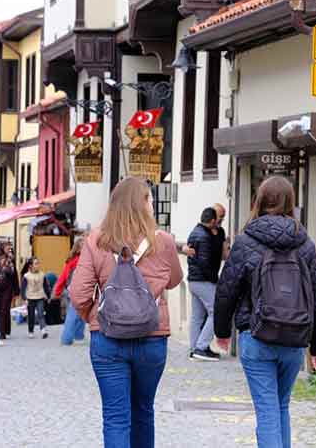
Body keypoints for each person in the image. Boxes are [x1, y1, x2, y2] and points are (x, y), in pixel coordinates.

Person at [214, 176, 316, 448]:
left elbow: (226, 290)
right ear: (292, 202)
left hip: (256, 336)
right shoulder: (305, 243)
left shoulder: (245, 241)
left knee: (267, 409)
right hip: (295, 337)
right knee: (281, 406)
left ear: (259, 201)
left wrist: (222, 333)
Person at [70, 176, 183, 448]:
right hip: (152, 337)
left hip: (108, 340)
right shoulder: (163, 241)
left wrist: (96, 319)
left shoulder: (96, 240)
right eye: (150, 200)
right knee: (143, 411)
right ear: (143, 204)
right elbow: (174, 279)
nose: (153, 206)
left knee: (115, 416)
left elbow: (79, 293)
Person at [186, 207, 221, 361]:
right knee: (216, 312)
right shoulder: (205, 237)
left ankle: (194, 349)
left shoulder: (195, 232)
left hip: (193, 280)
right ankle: (201, 347)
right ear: (212, 220)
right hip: (203, 281)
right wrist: (215, 279)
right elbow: (205, 263)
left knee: (197, 316)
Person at [54, 237, 86, 345]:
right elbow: (64, 277)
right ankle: (67, 338)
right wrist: (57, 291)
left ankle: (78, 336)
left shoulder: (73, 261)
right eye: (84, 246)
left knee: (81, 313)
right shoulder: (78, 261)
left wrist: (58, 291)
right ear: (78, 249)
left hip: (75, 290)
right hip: (76, 290)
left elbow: (63, 277)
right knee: (73, 314)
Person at [0, 241, 20, 340]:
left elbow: (15, 275)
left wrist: (17, 290)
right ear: (1, 248)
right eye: (7, 247)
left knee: (4, 309)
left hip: (7, 288)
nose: (9, 249)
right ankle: (6, 329)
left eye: (10, 247)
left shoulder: (11, 260)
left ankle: (2, 332)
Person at [20, 257, 51, 339]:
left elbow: (45, 286)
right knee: (31, 315)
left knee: (41, 313)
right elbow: (23, 288)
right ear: (31, 266)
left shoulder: (42, 275)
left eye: (38, 263)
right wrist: (24, 298)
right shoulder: (26, 276)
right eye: (36, 263)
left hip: (40, 297)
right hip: (30, 298)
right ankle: (31, 331)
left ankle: (43, 330)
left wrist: (48, 295)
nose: (38, 265)